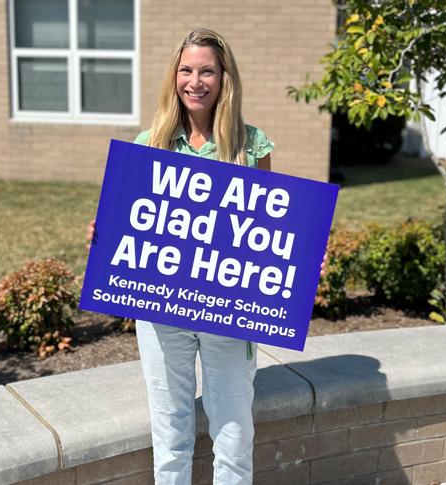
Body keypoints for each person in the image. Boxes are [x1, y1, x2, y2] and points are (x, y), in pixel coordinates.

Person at [87, 28, 327, 484]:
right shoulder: (149, 143)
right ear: (173, 77)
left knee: (234, 434)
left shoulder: (249, 145)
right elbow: (131, 222)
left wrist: (300, 251)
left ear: (224, 78)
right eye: (186, 70)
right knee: (170, 429)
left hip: (227, 312)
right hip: (161, 309)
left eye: (207, 71)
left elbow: (269, 228)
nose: (195, 81)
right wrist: (104, 236)